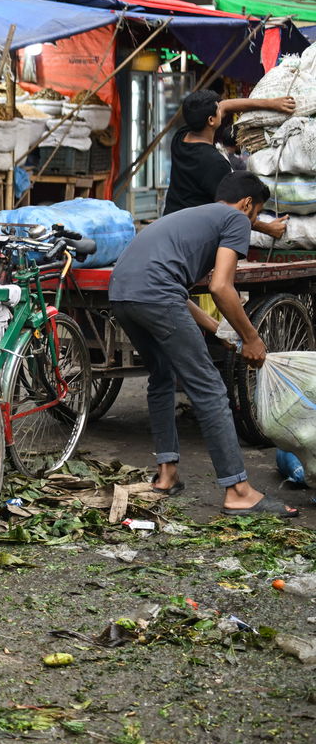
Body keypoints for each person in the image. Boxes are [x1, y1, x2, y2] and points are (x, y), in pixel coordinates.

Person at [109, 170, 298, 518]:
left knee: (162, 376)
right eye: (256, 214)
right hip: (155, 294)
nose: (252, 221)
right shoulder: (236, 219)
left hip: (121, 293)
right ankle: (238, 490)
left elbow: (170, 288)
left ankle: (166, 475)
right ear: (246, 205)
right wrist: (251, 338)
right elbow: (221, 287)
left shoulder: (197, 216)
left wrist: (217, 329)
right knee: (210, 389)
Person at [163, 89, 293, 228]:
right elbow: (234, 211)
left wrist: (271, 104)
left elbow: (226, 105)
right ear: (211, 120)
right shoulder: (215, 163)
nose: (222, 108)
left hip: (169, 220)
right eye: (218, 109)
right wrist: (268, 229)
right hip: (192, 231)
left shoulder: (180, 137)